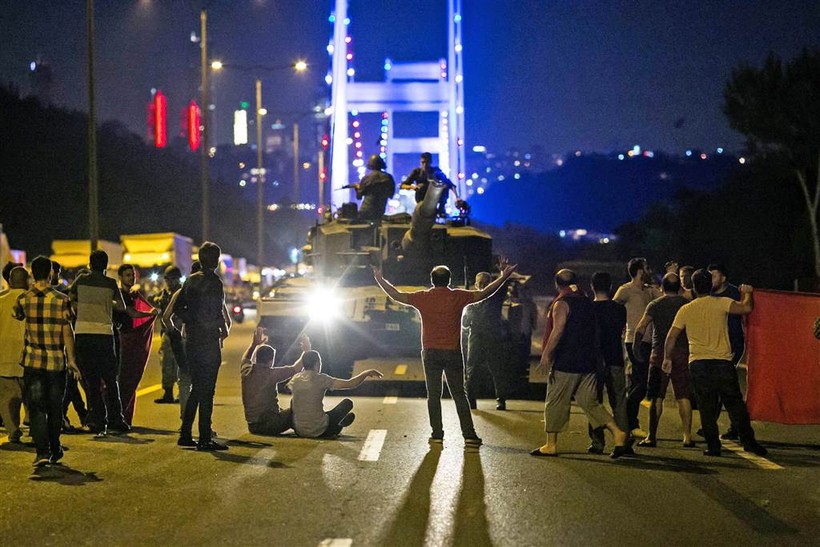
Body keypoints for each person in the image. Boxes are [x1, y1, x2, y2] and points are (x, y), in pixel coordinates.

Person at [373, 260, 516, 445]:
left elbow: (396, 294)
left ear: (432, 280)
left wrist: (380, 279)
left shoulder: (423, 297)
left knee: (433, 395)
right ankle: (469, 435)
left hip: (430, 352)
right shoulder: (458, 296)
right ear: (449, 280)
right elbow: (485, 293)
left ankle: (437, 433)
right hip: (452, 353)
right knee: (459, 395)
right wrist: (504, 276)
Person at [663, 269, 767, 457]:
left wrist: (667, 358)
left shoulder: (686, 309)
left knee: (706, 406)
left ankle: (713, 446)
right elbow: (746, 308)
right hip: (722, 362)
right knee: (735, 404)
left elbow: (671, 337)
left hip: (698, 363)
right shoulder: (722, 303)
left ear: (694, 287)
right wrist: (748, 293)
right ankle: (749, 442)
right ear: (710, 285)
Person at [532, 269, 628, 458]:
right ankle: (618, 434)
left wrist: (546, 355)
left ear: (557, 284)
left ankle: (551, 445)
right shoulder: (587, 302)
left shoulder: (561, 303)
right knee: (590, 402)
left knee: (555, 400)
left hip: (567, 360)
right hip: (589, 362)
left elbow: (558, 330)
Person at [13, 256, 81, 466]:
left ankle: (42, 452)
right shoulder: (62, 299)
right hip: (56, 363)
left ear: (32, 274)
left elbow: (17, 315)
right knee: (54, 407)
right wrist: (72, 360)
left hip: (32, 362)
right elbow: (67, 332)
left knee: (36, 408)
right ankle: (54, 447)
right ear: (51, 273)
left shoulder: (23, 299)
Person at [173, 242, 231, 451]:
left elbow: (178, 308)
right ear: (215, 260)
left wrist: (192, 320)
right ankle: (204, 438)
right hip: (208, 341)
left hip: (192, 340)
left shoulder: (190, 280)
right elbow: (216, 311)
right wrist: (220, 327)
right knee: (207, 390)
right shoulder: (215, 282)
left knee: (197, 388)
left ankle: (185, 433)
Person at [69, 249, 129, 435]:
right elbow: (122, 306)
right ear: (105, 266)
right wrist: (106, 303)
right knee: (110, 379)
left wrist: (82, 307)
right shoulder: (111, 284)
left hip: (83, 334)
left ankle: (97, 420)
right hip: (104, 334)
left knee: (91, 380)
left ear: (90, 264)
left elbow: (70, 299)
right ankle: (116, 419)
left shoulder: (80, 280)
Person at [632, 273, 693, 448]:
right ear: (678, 287)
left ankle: (651, 436)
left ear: (663, 287)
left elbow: (641, 327)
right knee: (683, 395)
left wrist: (636, 349)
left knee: (656, 396)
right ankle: (687, 436)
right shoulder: (686, 305)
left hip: (659, 354)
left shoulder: (655, 304)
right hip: (682, 353)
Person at [613, 257, 660, 438]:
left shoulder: (650, 290)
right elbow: (613, 308)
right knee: (642, 383)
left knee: (636, 382)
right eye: (646, 268)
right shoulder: (625, 290)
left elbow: (666, 299)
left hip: (648, 341)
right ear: (640, 271)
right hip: (634, 341)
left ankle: (629, 423)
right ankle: (626, 416)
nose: (649, 271)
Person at [288, 350, 382, 438]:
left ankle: (334, 423)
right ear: (317, 364)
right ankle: (339, 425)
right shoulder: (321, 379)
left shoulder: (295, 379)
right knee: (347, 403)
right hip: (319, 430)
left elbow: (291, 395)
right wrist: (365, 373)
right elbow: (350, 384)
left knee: (295, 401)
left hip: (299, 431)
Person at [587, 271, 628, 454]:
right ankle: (623, 440)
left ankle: (597, 442)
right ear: (610, 287)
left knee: (594, 402)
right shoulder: (619, 309)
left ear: (592, 286)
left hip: (594, 360)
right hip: (615, 357)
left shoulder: (588, 309)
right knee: (619, 400)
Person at [242, 329, 310, 436]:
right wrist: (306, 351)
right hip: (267, 424)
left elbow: (245, 358)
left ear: (257, 358)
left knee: (283, 411)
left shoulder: (246, 371)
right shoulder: (270, 374)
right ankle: (316, 427)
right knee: (297, 409)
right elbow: (296, 368)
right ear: (270, 361)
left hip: (252, 426)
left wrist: (254, 345)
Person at [114, 264, 159, 426]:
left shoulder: (132, 295)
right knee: (125, 378)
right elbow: (132, 313)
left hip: (130, 339)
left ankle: (124, 416)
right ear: (120, 277)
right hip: (123, 340)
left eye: (132, 275)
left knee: (131, 378)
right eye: (128, 275)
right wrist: (150, 314)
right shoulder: (119, 295)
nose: (131, 278)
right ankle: (118, 415)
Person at [462, 271, 513, 410]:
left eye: (485, 283)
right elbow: (465, 324)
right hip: (476, 339)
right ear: (476, 284)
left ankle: (501, 400)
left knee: (497, 370)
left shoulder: (495, 297)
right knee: (472, 371)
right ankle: (471, 401)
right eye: (480, 283)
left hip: (493, 338)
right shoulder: (471, 301)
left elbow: (502, 286)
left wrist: (503, 274)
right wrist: (467, 315)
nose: (482, 286)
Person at [708, 263, 745, 440]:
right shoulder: (708, 293)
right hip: (714, 344)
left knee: (726, 387)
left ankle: (735, 427)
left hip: (732, 344)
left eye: (714, 276)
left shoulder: (735, 293)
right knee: (717, 386)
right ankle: (712, 424)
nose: (711, 279)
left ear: (723, 278)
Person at [0, 266, 29, 443]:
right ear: (27, 281)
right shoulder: (32, 300)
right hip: (28, 356)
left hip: (4, 355)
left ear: (10, 281)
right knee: (29, 395)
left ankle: (13, 431)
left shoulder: (1, 301)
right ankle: (33, 426)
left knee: (7, 398)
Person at [151, 265, 183, 404]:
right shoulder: (163, 294)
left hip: (180, 333)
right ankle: (168, 392)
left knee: (181, 364)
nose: (169, 282)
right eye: (168, 279)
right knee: (166, 363)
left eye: (172, 279)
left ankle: (182, 392)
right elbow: (151, 301)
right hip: (168, 333)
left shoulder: (183, 293)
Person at [400, 152, 460, 217]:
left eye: (427, 162)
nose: (425, 165)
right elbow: (402, 185)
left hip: (434, 197)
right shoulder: (416, 172)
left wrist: (457, 197)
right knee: (422, 186)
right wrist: (413, 187)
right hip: (422, 198)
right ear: (420, 162)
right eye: (423, 162)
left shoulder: (436, 171)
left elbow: (450, 184)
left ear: (430, 162)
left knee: (444, 186)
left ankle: (441, 209)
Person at [348, 154, 395, 222]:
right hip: (380, 212)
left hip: (365, 212)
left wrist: (357, 188)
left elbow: (359, 197)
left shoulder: (366, 178)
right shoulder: (389, 178)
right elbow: (391, 195)